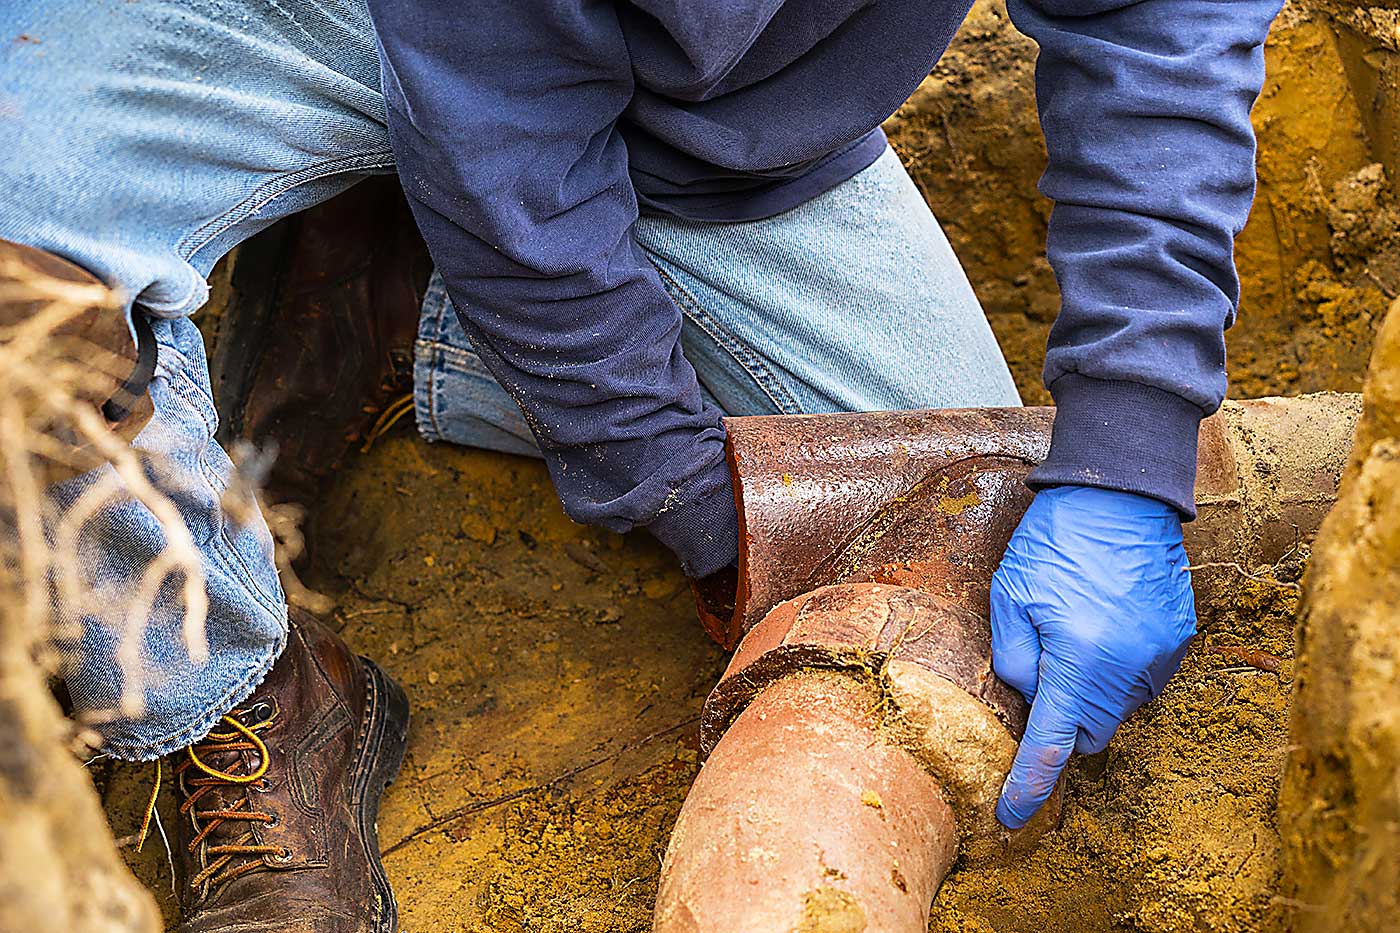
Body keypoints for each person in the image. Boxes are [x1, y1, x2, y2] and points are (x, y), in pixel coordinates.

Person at [0, 0, 1282, 928]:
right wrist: (696, 508)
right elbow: (515, 170)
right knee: (15, 289)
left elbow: (1161, 25)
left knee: (940, 526)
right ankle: (238, 693)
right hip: (256, 19)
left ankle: (394, 292)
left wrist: (1126, 450)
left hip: (704, 110)